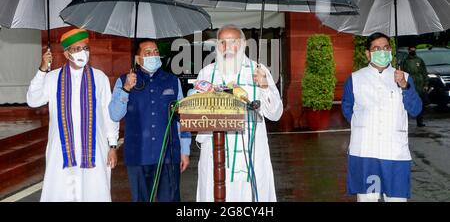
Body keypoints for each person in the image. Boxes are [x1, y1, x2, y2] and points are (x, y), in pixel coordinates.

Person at [26, 29, 119, 202]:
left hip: (95, 150)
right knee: (61, 193)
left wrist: (112, 145)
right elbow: (32, 100)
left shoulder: (100, 78)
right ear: (67, 54)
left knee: (94, 192)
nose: (82, 52)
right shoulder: (52, 78)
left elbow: (109, 114)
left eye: (85, 48)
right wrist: (42, 69)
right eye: (76, 49)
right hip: (61, 151)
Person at [195, 25, 283, 202]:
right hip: (215, 152)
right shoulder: (206, 73)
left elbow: (276, 113)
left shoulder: (259, 71)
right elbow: (196, 112)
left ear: (243, 44)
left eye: (233, 41)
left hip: (251, 152)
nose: (227, 47)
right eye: (222, 42)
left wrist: (264, 86)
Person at [342, 32, 422, 202]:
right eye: (376, 48)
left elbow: (416, 110)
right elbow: (347, 109)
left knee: (396, 199)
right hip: (365, 152)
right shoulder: (355, 79)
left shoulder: (404, 77)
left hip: (394, 153)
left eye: (385, 48)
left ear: (391, 51)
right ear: (367, 53)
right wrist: (364, 126)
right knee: (367, 198)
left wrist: (404, 86)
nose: (382, 52)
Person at [108, 39, 191, 202]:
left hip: (168, 154)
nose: (153, 55)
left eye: (156, 52)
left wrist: (185, 151)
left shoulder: (172, 81)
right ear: (137, 59)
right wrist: (126, 89)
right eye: (148, 53)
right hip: (138, 155)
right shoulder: (124, 80)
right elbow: (115, 115)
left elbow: (183, 118)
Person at [401, 45, 428, 127]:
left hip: (420, 84)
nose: (413, 50)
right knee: (408, 101)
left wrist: (426, 84)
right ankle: (405, 122)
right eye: (411, 49)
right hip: (410, 83)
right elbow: (402, 72)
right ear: (408, 50)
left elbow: (424, 72)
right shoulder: (405, 61)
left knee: (420, 103)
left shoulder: (419, 60)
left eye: (414, 49)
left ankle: (420, 121)